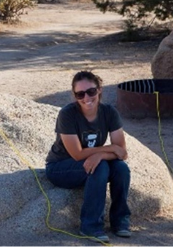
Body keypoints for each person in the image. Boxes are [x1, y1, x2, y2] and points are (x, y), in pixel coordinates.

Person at [45, 71, 131, 243]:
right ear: (74, 95)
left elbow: (122, 153)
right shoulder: (67, 114)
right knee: (100, 167)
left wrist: (100, 154)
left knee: (121, 168)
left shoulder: (109, 112)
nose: (86, 98)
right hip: (61, 167)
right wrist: (109, 150)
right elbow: (77, 154)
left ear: (99, 90)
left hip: (92, 161)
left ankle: (120, 221)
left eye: (91, 91)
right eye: (80, 94)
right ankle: (90, 226)